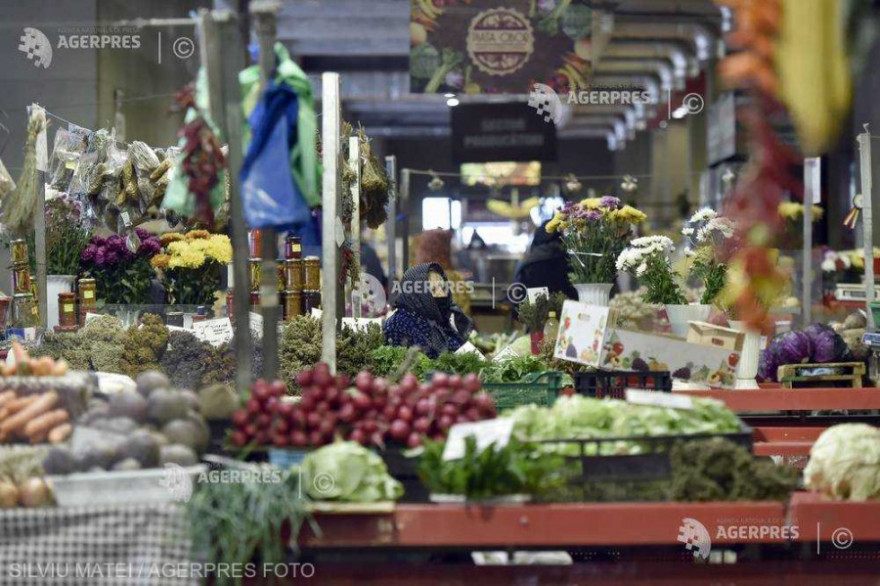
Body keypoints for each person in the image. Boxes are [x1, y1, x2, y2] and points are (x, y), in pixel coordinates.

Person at [383, 263, 473, 358]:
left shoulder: (438, 320)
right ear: (417, 294)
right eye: (433, 290)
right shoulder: (399, 326)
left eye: (443, 288)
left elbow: (458, 351)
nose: (442, 294)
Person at [514, 221, 578, 299]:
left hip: (534, 309)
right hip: (568, 309)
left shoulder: (527, 263)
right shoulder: (570, 261)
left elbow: (519, 298)